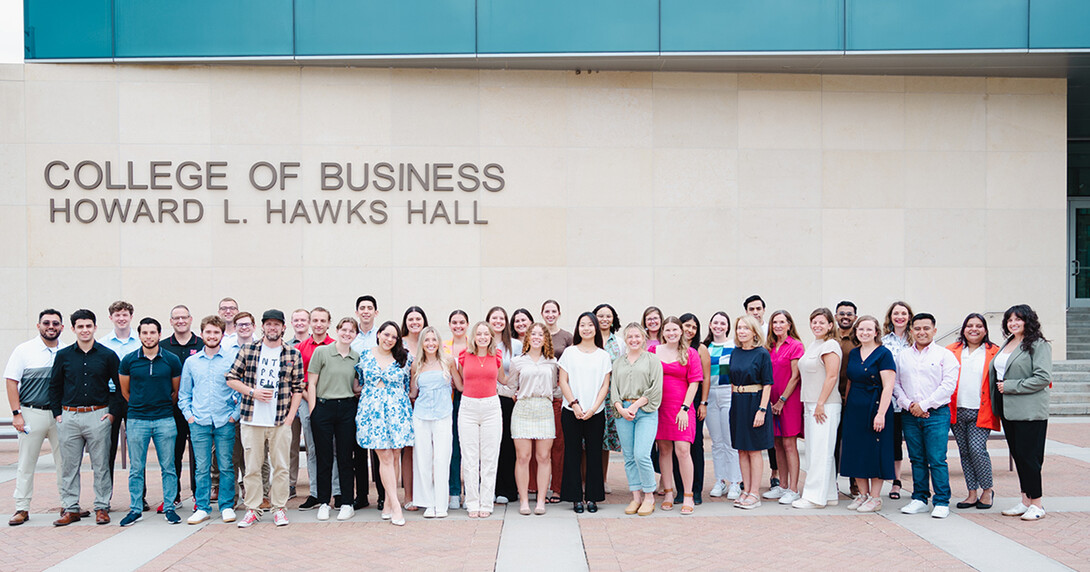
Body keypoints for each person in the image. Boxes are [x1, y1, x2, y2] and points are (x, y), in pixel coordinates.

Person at [226, 309, 305, 528]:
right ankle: (253, 508)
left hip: (280, 420)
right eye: (268, 324)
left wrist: (290, 418)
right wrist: (252, 392)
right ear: (263, 326)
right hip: (252, 420)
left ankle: (279, 508)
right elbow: (231, 378)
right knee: (252, 467)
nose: (272, 328)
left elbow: (299, 388)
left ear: (283, 327)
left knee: (281, 466)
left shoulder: (292, 353)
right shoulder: (248, 350)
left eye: (276, 324)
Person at [49, 309, 121, 526]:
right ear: (72, 329)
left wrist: (111, 415)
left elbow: (120, 388)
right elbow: (54, 386)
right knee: (69, 466)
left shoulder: (107, 355)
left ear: (95, 328)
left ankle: (101, 507)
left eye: (88, 326)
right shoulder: (64, 355)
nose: (85, 330)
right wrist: (58, 415)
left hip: (98, 415)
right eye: (80, 326)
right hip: (69, 417)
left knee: (101, 465)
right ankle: (70, 508)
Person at [118, 317, 184, 527]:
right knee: (137, 468)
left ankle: (170, 508)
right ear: (139, 335)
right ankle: (136, 509)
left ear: (159, 334)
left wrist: (161, 405)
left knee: (169, 466)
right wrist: (141, 406)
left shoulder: (171, 360)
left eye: (152, 332)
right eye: (144, 333)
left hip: (165, 419)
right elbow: (125, 391)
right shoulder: (129, 360)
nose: (148, 337)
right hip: (137, 420)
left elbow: (175, 391)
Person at [894, 313, 959, 519]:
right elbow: (895, 383)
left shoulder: (945, 355)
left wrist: (924, 405)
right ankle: (920, 498)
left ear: (934, 331)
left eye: (926, 328)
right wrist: (909, 405)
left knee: (937, 458)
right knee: (917, 458)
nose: (922, 332)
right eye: (918, 328)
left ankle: (941, 501)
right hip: (909, 413)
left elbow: (948, 385)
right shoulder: (903, 356)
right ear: (911, 330)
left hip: (937, 413)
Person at [991, 305, 1052, 521]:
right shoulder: (1009, 343)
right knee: (1019, 456)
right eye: (1009, 320)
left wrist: (1011, 386)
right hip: (1009, 409)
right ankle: (1026, 501)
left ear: (1028, 320)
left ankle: (1037, 504)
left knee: (1030, 457)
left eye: (1018, 319)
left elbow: (1043, 377)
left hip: (1029, 410)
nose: (1013, 323)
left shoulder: (1038, 344)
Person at [179, 315, 240, 525]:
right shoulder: (191, 362)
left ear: (222, 335)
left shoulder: (231, 359)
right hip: (199, 421)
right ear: (202, 334)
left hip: (225, 420)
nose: (212, 336)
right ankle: (202, 507)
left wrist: (235, 415)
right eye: (208, 332)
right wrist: (189, 416)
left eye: (216, 332)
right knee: (201, 467)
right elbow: (184, 393)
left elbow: (240, 390)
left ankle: (226, 506)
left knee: (226, 466)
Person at [5, 309, 64, 526]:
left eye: (55, 323)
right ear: (38, 326)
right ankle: (22, 507)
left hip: (59, 415)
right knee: (26, 461)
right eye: (46, 323)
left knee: (64, 462)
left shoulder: (67, 351)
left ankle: (67, 504)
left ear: (62, 327)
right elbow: (11, 381)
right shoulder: (24, 350)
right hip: (32, 412)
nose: (51, 326)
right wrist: (16, 414)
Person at [355, 321, 414, 526]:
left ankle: (389, 502)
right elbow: (360, 381)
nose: (389, 339)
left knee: (396, 455)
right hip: (373, 411)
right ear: (378, 334)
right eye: (386, 335)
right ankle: (396, 506)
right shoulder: (364, 356)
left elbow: (408, 385)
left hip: (397, 409)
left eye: (394, 337)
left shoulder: (404, 358)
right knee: (385, 456)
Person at [557, 312, 612, 513]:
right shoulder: (570, 352)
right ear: (578, 328)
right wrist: (575, 404)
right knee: (572, 453)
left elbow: (605, 385)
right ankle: (574, 498)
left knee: (594, 454)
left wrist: (593, 408)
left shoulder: (603, 355)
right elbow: (563, 380)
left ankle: (593, 497)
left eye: (590, 325)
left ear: (596, 328)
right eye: (582, 325)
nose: (586, 328)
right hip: (571, 411)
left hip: (595, 413)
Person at [840, 315, 896, 513]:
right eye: (860, 329)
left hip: (876, 405)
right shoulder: (854, 354)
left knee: (875, 451)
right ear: (856, 332)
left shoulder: (883, 354)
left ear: (876, 332)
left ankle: (875, 497)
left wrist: (881, 414)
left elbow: (888, 386)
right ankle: (862, 494)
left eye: (868, 329)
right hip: (855, 408)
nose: (864, 333)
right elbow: (850, 381)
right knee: (856, 451)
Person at [307, 317, 361, 522]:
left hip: (347, 408)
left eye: (351, 331)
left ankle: (347, 502)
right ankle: (323, 502)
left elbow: (356, 385)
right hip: (323, 408)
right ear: (337, 330)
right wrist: (313, 412)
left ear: (355, 335)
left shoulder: (356, 357)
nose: (347, 334)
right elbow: (311, 383)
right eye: (344, 329)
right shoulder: (322, 352)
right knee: (324, 457)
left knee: (346, 457)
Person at [504, 322, 559, 516]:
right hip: (523, 408)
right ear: (527, 338)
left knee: (544, 457)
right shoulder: (518, 361)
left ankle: (541, 501)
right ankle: (524, 501)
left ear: (546, 339)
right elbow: (511, 387)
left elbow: (555, 388)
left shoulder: (552, 363)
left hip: (544, 408)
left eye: (540, 334)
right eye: (533, 334)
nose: (536, 337)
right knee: (523, 457)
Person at [791, 308, 843, 510]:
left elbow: (831, 376)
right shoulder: (815, 344)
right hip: (811, 403)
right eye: (814, 322)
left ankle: (813, 497)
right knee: (816, 450)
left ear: (831, 325)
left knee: (820, 452)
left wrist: (821, 403)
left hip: (825, 405)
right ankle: (828, 494)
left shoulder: (830, 345)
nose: (817, 326)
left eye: (822, 322)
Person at [947, 313, 999, 511]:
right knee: (965, 453)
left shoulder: (994, 352)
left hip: (981, 409)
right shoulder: (952, 350)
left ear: (985, 330)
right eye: (970, 325)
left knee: (977, 450)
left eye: (979, 325)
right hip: (957, 409)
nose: (974, 329)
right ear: (963, 329)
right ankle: (971, 493)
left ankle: (987, 490)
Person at [651, 317, 702, 514]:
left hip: (682, 408)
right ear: (662, 332)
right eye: (668, 330)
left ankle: (687, 495)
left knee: (682, 450)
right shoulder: (653, 352)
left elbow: (695, 382)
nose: (671, 333)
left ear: (681, 331)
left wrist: (685, 408)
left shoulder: (690, 353)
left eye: (675, 330)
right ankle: (669, 492)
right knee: (664, 449)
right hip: (660, 407)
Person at [611, 323, 663, 517]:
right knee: (630, 456)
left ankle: (649, 496)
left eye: (637, 336)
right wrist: (620, 408)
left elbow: (656, 388)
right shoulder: (618, 362)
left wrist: (634, 406)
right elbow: (613, 389)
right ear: (625, 339)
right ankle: (636, 496)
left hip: (645, 411)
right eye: (630, 337)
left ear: (644, 338)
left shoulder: (652, 360)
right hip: (623, 412)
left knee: (642, 454)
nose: (633, 340)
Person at [453, 321, 503, 518]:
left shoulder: (496, 356)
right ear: (473, 336)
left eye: (486, 334)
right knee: (470, 457)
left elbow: (503, 379)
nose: (482, 337)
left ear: (491, 336)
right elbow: (459, 384)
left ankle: (486, 502)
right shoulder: (464, 356)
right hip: (468, 407)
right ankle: (472, 502)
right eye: (479, 334)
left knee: (490, 458)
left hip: (491, 407)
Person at [159, 304, 203, 512]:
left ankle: (198, 496)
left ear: (190, 319)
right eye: (176, 318)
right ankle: (173, 496)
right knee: (172, 455)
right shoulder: (163, 346)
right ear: (171, 322)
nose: (180, 321)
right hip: (173, 410)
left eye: (183, 317)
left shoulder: (203, 344)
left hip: (199, 410)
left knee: (199, 457)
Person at [728, 315, 773, 510]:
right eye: (739, 328)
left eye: (746, 328)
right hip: (738, 403)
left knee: (754, 450)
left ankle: (755, 493)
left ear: (755, 331)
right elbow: (731, 380)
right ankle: (745, 490)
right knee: (741, 449)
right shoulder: (735, 352)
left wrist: (762, 410)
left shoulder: (762, 353)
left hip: (755, 402)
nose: (741, 331)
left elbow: (767, 384)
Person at [295, 307, 338, 511]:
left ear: (329, 323)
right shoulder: (301, 348)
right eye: (315, 320)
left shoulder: (337, 346)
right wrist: (313, 403)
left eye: (323, 320)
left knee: (335, 449)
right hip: (307, 402)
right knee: (313, 450)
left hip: (332, 404)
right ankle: (316, 493)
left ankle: (336, 492)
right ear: (310, 323)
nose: (319, 324)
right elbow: (299, 380)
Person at [410, 326, 455, 519]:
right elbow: (413, 392)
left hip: (444, 414)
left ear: (439, 342)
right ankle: (427, 503)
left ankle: (440, 503)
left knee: (442, 458)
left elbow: (460, 385)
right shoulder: (416, 365)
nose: (430, 343)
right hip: (421, 415)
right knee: (423, 459)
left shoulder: (448, 361)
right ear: (422, 343)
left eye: (433, 340)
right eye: (426, 340)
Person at [762, 310, 804, 505]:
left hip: (789, 402)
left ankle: (794, 488)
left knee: (789, 444)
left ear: (789, 324)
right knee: (776, 443)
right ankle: (783, 485)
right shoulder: (769, 346)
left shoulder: (795, 345)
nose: (778, 326)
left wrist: (782, 400)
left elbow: (795, 376)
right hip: (771, 402)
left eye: (781, 322)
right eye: (774, 322)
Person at [99, 300, 139, 494]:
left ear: (131, 317)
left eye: (125, 315)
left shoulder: (141, 341)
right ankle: (105, 496)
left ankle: (140, 496)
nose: (121, 318)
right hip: (112, 397)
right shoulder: (103, 344)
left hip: (135, 397)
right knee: (107, 449)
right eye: (117, 315)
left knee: (136, 450)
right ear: (111, 318)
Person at [703, 311, 742, 501]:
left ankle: (735, 482)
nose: (718, 326)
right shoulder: (705, 347)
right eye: (715, 322)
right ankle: (720, 480)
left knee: (730, 441)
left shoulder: (734, 346)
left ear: (728, 326)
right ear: (710, 325)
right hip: (710, 394)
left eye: (722, 323)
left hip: (728, 393)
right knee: (716, 442)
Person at [673, 313, 710, 505]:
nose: (690, 330)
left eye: (694, 327)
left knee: (695, 447)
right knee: (676, 448)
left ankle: (696, 490)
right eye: (687, 326)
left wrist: (703, 403)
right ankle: (680, 490)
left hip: (694, 402)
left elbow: (705, 378)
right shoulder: (672, 348)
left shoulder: (700, 348)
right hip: (674, 402)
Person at [488, 306, 522, 506]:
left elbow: (519, 372)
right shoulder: (482, 341)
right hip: (487, 398)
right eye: (494, 318)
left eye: (502, 318)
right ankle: (490, 488)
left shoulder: (515, 345)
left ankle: (507, 489)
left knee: (507, 445)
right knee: (490, 444)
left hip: (508, 400)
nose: (498, 321)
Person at [398, 306, 429, 511]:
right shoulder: (399, 343)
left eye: (418, 318)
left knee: (427, 449)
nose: (415, 322)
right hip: (404, 403)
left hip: (427, 403)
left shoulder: (430, 341)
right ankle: (409, 496)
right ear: (405, 322)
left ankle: (426, 493)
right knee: (408, 450)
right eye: (411, 319)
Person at [881, 301, 913, 500]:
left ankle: (921, 484)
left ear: (909, 316)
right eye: (896, 313)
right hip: (891, 402)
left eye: (903, 313)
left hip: (913, 401)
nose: (899, 317)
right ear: (890, 317)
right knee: (894, 443)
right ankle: (896, 481)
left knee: (915, 444)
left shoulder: (916, 340)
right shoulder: (883, 341)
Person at [541, 300, 571, 504]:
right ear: (542, 314)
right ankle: (536, 485)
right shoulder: (537, 334)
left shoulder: (567, 337)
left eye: (554, 311)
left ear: (559, 313)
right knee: (540, 443)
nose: (550, 314)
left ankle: (557, 487)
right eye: (547, 311)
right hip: (541, 395)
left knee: (558, 444)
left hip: (560, 394)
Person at [595, 303, 623, 496]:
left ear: (613, 319)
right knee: (586, 442)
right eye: (600, 315)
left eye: (608, 316)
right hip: (590, 395)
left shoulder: (619, 343)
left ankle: (602, 479)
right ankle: (585, 479)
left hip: (610, 396)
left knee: (604, 441)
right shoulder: (588, 338)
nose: (604, 319)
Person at [444, 309, 470, 510]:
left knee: (470, 446)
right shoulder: (443, 347)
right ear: (450, 325)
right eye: (454, 322)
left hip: (470, 397)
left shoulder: (474, 345)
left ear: (467, 324)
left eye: (462, 322)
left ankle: (470, 490)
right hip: (448, 399)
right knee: (453, 447)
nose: (458, 326)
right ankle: (454, 491)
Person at [834, 300, 859, 496]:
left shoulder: (859, 339)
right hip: (832, 399)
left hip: (852, 399)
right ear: (835, 317)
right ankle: (830, 483)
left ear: (855, 318)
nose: (845, 317)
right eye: (842, 313)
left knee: (851, 443)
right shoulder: (829, 338)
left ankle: (855, 485)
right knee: (832, 444)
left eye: (849, 314)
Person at [286, 308, 310, 498]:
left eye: (303, 319)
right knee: (291, 444)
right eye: (296, 320)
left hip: (310, 398)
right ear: (292, 323)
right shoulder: (285, 346)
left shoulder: (317, 344)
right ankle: (291, 483)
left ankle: (315, 484)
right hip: (291, 400)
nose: (300, 323)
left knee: (312, 444)